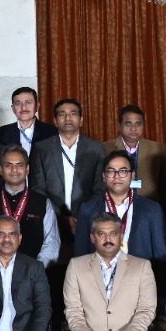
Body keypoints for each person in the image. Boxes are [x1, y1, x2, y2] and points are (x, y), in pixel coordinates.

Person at [30, 99, 106, 244]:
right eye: (62, 114)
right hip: (52, 221)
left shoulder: (96, 149)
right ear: (55, 121)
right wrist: (62, 218)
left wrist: (83, 216)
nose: (68, 118)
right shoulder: (41, 148)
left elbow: (100, 188)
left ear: (81, 120)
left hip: (88, 222)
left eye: (73, 114)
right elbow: (37, 188)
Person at [0, 146, 60, 266]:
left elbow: (52, 242)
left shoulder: (43, 202)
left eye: (20, 165)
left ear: (27, 169)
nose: (14, 170)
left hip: (34, 276)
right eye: (8, 165)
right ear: (1, 169)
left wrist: (34, 271)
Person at [72, 151, 166, 261]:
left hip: (140, 276)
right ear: (104, 176)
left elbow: (161, 255)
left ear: (132, 176)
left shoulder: (152, 209)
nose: (117, 176)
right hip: (98, 275)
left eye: (123, 171)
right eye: (111, 171)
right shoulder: (87, 209)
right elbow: (80, 254)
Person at [111, 105, 166, 212]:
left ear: (143, 126)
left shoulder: (157, 148)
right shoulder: (106, 148)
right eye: (128, 123)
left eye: (138, 124)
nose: (133, 128)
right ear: (119, 126)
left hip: (150, 206)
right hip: (116, 208)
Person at [0, 86, 57, 158]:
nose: (23, 107)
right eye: (18, 103)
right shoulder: (1, 133)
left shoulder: (52, 132)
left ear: (37, 107)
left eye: (28, 102)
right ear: (13, 108)